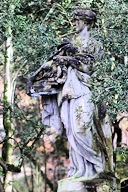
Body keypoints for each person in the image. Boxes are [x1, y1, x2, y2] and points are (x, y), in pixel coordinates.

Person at [27, 7, 113, 180]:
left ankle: (97, 166)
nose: (73, 23)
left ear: (86, 22)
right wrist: (34, 79)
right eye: (73, 20)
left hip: (86, 90)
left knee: (82, 129)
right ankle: (79, 170)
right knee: (72, 130)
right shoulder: (69, 42)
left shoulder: (96, 45)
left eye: (77, 20)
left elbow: (90, 68)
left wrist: (70, 58)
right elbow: (53, 65)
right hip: (68, 92)